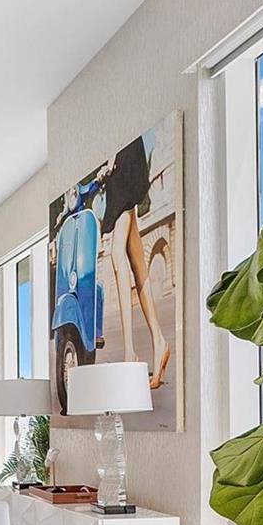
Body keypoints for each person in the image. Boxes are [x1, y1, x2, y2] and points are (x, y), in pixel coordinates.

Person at [98, 136, 171, 389]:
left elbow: (119, 136)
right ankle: (159, 341)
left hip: (124, 165)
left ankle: (130, 352)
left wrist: (111, 161)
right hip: (122, 164)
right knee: (137, 263)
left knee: (117, 254)